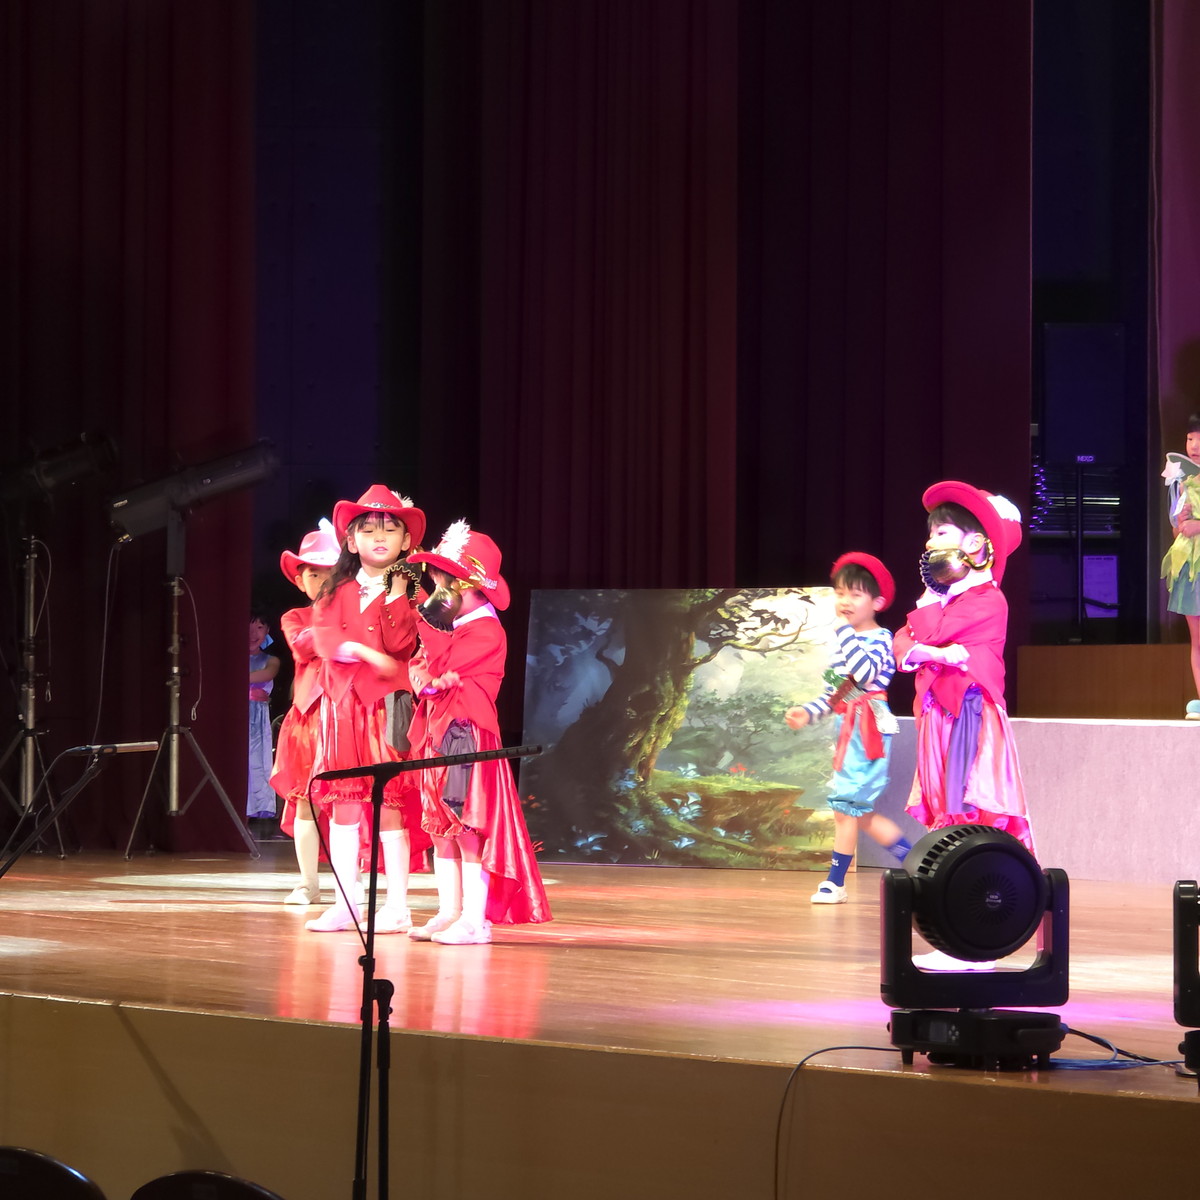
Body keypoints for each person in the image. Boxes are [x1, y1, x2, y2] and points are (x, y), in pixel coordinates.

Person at [893, 481, 1030, 970]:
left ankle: (977, 940)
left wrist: (922, 634)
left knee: (967, 807)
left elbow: (927, 635)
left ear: (975, 543)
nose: (930, 542)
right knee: (944, 812)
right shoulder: (945, 600)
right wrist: (920, 643)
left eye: (942, 533)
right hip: (938, 714)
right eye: (931, 534)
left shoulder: (986, 599)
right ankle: (959, 936)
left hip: (968, 711)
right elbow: (903, 642)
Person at [405, 520, 551, 945]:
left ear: (467, 587)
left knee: (466, 825)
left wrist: (430, 631)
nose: (436, 592)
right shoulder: (451, 628)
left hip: (466, 732)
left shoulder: (485, 630)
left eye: (442, 584)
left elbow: (440, 664)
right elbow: (421, 669)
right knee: (439, 825)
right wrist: (427, 680)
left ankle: (475, 919)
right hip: (437, 729)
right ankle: (449, 911)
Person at [305, 485, 431, 934]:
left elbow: (400, 644)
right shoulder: (334, 589)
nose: (379, 537)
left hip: (387, 706)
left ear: (405, 541)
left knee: (389, 802)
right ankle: (347, 903)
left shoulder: (412, 596)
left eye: (390, 529)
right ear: (351, 540)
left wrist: (397, 593)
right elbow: (324, 640)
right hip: (342, 705)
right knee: (344, 805)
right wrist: (361, 650)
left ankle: (397, 907)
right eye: (368, 529)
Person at [785, 553, 909, 904]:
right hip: (851, 723)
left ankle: (835, 883)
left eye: (855, 594)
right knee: (860, 814)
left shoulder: (880, 637)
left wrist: (843, 631)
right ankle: (916, 861)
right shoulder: (846, 641)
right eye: (840, 593)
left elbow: (865, 676)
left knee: (846, 808)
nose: (845, 601)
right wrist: (808, 713)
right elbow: (840, 692)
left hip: (871, 723)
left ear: (877, 602)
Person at [271, 518, 340, 905]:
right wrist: (342, 620)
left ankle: (352, 886)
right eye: (312, 573)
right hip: (308, 720)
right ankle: (308, 883)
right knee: (305, 801)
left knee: (354, 800)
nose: (321, 580)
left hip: (349, 715)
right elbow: (303, 645)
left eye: (329, 571)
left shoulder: (356, 613)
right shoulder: (295, 617)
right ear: (300, 581)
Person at [1160, 413, 1200, 718]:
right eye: (1190, 438)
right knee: (1197, 638)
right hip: (1189, 565)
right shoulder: (1182, 480)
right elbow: (1176, 530)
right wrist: (1184, 521)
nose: (1194, 445)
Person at [248, 614, 281, 827]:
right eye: (249, 627)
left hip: (256, 722)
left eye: (260, 627)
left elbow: (266, 675)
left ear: (267, 630)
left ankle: (254, 808)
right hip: (235, 715)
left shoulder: (271, 660)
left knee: (256, 763)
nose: (253, 633)